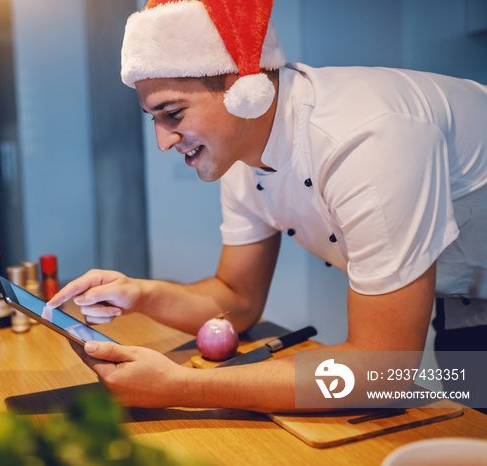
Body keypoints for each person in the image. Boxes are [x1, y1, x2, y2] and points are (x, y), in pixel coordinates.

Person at [46, 0, 487, 412]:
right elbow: (236, 300)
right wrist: (138, 294)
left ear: (242, 88)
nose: (162, 141)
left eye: (173, 113)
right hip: (465, 310)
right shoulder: (242, 156)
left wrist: (182, 387)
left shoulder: (367, 140)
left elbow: (382, 369)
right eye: (154, 118)